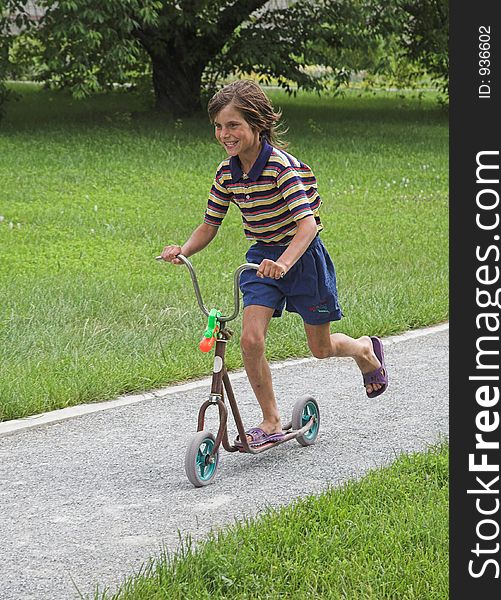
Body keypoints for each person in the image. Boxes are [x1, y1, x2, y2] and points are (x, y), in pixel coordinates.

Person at [160, 80, 388, 447]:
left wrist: (284, 263)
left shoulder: (281, 168)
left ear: (257, 125)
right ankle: (270, 421)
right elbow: (209, 224)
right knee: (250, 340)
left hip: (303, 258)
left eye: (233, 125)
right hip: (262, 261)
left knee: (320, 347)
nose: (224, 134)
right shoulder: (225, 174)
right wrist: (183, 249)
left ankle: (364, 350)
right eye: (218, 126)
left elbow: (308, 226)